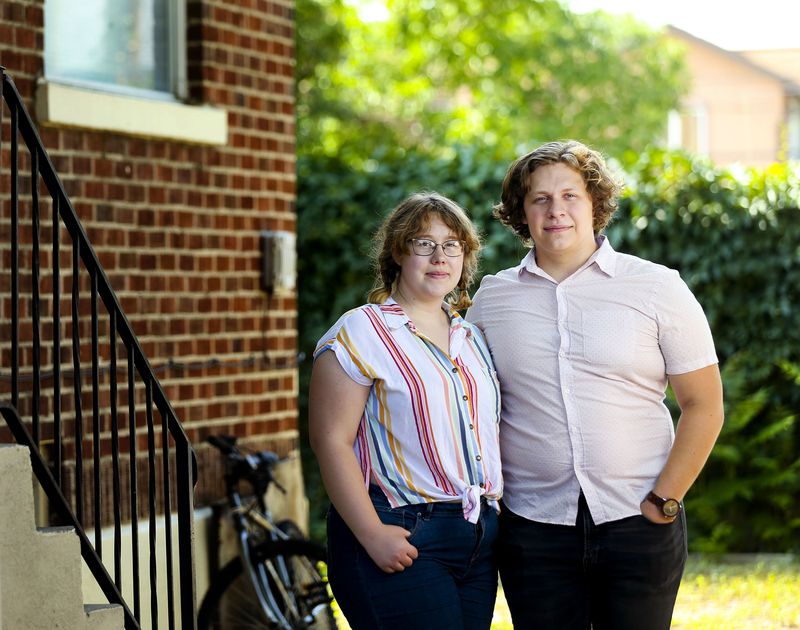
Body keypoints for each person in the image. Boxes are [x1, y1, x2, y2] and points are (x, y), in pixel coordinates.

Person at [466, 140, 724, 630]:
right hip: (533, 528)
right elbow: (469, 403)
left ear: (595, 203)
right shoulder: (492, 299)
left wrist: (665, 500)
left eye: (570, 195)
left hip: (639, 520)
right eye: (539, 198)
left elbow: (704, 405)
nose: (555, 210)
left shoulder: (656, 287)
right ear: (522, 211)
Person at [308, 192, 503, 630]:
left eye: (452, 244)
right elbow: (330, 440)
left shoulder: (471, 337)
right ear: (398, 251)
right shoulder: (362, 329)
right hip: (400, 529)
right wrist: (371, 533)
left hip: (476, 538)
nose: (439, 256)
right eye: (423, 243)